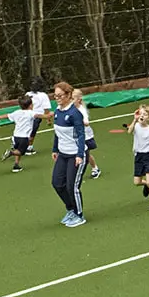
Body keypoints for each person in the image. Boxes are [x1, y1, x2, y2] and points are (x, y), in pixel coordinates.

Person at [48, 80, 88, 226]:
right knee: (57, 183)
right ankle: (70, 209)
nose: (57, 98)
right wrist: (55, 149)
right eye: (55, 96)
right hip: (63, 154)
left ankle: (79, 215)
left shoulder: (74, 114)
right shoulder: (58, 111)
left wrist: (79, 155)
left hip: (75, 155)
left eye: (60, 96)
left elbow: (81, 135)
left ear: (68, 95)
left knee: (72, 186)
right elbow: (57, 133)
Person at [3, 93, 39, 171]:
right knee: (21, 152)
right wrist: (49, 115)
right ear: (30, 106)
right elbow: (39, 116)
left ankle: (16, 165)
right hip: (24, 137)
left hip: (16, 136)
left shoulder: (17, 112)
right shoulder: (30, 113)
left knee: (18, 149)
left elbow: (7, 115)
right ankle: (11, 153)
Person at [73, 87, 102, 180]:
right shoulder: (71, 109)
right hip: (76, 135)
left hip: (85, 135)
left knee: (86, 153)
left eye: (73, 98)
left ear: (78, 100)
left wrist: (78, 121)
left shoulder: (81, 110)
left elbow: (86, 123)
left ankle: (95, 168)